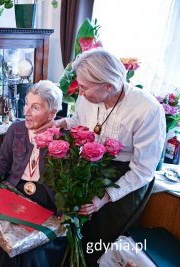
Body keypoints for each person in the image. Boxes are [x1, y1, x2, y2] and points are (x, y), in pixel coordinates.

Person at [52, 48, 166, 266]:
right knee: (76, 228)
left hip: (127, 177)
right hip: (90, 166)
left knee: (101, 238)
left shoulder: (148, 109)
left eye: (84, 87)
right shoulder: (87, 97)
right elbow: (78, 121)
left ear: (109, 86)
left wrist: (104, 198)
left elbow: (143, 170)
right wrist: (62, 123)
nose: (80, 92)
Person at [0, 80, 67, 267]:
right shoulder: (16, 130)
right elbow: (3, 162)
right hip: (15, 189)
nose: (26, 111)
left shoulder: (63, 139)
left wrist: (63, 209)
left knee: (31, 251)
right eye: (26, 103)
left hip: (47, 197)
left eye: (35, 107)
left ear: (52, 113)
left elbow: (66, 182)